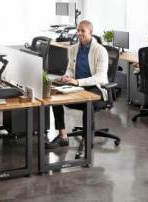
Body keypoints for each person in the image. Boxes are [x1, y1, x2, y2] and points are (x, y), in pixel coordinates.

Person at [46, 20, 109, 149]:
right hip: (76, 86)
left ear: (91, 33)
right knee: (54, 97)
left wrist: (78, 81)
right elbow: (70, 68)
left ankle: (87, 139)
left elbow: (101, 77)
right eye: (78, 30)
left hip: (95, 88)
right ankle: (62, 136)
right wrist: (67, 76)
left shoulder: (100, 51)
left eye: (83, 31)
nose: (79, 33)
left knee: (88, 103)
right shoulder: (73, 48)